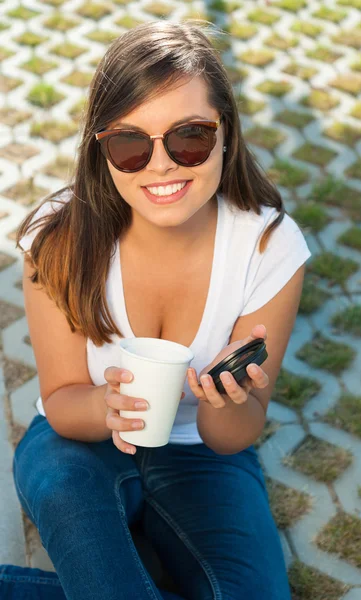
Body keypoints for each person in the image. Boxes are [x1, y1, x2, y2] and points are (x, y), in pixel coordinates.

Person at [1, 19, 311, 600]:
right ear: (103, 149)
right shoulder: (58, 237)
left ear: (226, 134)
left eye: (189, 136)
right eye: (130, 143)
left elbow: (234, 437)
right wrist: (106, 405)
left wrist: (230, 402)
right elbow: (64, 403)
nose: (162, 164)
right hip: (76, 447)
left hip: (204, 456)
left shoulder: (270, 246)